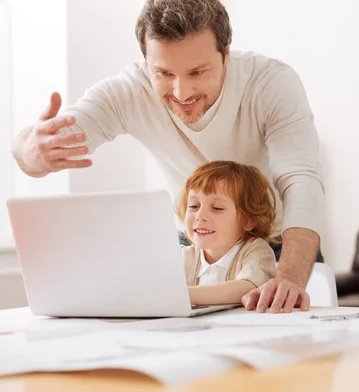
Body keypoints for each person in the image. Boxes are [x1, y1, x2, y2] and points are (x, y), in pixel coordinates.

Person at [11, 0, 324, 313]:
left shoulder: (270, 83)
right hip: (194, 246)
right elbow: (45, 142)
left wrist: (290, 276)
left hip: (278, 245)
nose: (182, 92)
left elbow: (300, 179)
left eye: (197, 72)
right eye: (163, 72)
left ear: (226, 54)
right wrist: (30, 150)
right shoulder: (129, 90)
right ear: (146, 62)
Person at [175, 161, 290, 308]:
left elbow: (249, 288)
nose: (200, 215)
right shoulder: (182, 256)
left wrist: (184, 295)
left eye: (217, 208)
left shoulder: (256, 251)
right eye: (194, 206)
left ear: (248, 220)